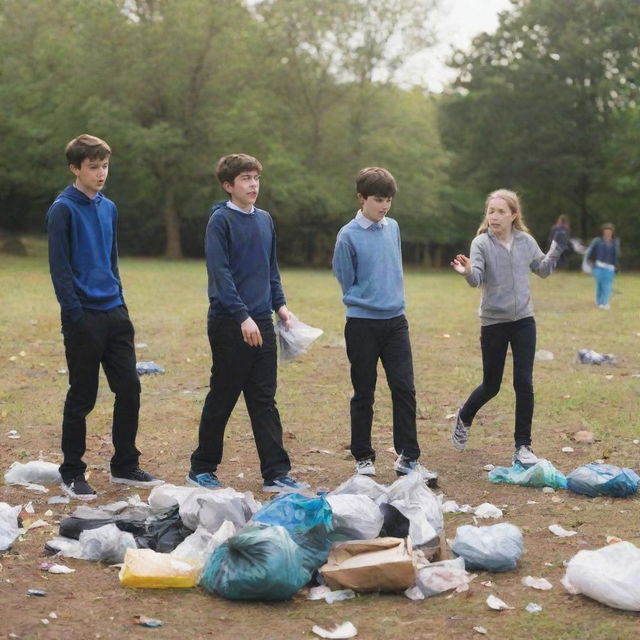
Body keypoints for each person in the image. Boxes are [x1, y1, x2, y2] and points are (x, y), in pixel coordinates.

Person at [46, 134, 163, 500]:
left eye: (104, 166)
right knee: (82, 396)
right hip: (84, 318)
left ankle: (125, 465)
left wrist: (121, 303)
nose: (100, 173)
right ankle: (72, 471)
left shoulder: (109, 208)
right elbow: (60, 270)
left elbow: (111, 260)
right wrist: (76, 315)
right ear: (75, 168)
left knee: (129, 388)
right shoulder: (62, 209)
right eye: (93, 166)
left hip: (115, 312)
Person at [186, 153, 309, 493]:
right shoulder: (220, 221)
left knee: (263, 399)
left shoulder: (265, 220)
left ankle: (276, 473)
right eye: (245, 179)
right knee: (224, 395)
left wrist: (280, 307)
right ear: (229, 185)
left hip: (263, 322)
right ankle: (201, 468)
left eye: (255, 178)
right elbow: (221, 276)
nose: (253, 184)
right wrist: (242, 317)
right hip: (230, 323)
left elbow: (270, 270)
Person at [332, 167, 438, 486]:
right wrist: (366, 299)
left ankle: (409, 458)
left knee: (404, 388)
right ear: (362, 198)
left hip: (396, 323)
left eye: (389, 199)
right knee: (364, 393)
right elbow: (344, 279)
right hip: (362, 325)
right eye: (378, 199)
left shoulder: (392, 228)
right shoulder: (347, 235)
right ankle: (363, 457)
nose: (385, 206)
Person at [450, 189, 566, 466]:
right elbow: (476, 278)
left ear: (514, 215)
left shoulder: (526, 242)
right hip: (494, 322)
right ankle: (464, 416)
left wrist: (556, 249)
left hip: (524, 320)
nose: (494, 216)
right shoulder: (481, 243)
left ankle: (523, 446)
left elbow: (544, 269)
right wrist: (467, 272)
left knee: (523, 382)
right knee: (491, 386)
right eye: (491, 211)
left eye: (501, 211)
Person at [583, 223, 620, 310]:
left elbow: (616, 255)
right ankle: (599, 301)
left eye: (609, 232)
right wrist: (589, 261)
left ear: (612, 233)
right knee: (599, 285)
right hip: (598, 266)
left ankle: (605, 303)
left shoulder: (615, 242)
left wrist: (616, 266)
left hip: (610, 267)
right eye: (606, 231)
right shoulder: (597, 241)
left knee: (607, 286)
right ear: (603, 232)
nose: (607, 233)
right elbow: (590, 251)